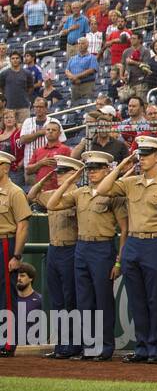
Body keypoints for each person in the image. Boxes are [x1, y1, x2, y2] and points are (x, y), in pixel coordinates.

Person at [94, 136, 157, 364]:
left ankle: (156, 348)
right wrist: (122, 166)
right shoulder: (131, 182)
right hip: (133, 243)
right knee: (137, 300)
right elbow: (102, 188)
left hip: (155, 241)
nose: (142, 158)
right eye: (140, 154)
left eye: (147, 154)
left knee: (155, 299)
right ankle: (142, 347)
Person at [47, 151, 127, 360]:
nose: (92, 173)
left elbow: (124, 229)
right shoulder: (79, 193)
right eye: (89, 169)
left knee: (103, 300)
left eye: (97, 169)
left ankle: (105, 347)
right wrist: (70, 181)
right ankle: (88, 346)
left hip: (102, 247)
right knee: (84, 301)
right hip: (82, 247)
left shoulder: (113, 195)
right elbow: (52, 204)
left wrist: (119, 259)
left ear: (106, 170)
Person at [29, 158, 81, 358]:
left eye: (63, 172)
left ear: (74, 174)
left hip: (71, 248)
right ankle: (61, 345)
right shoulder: (53, 194)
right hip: (54, 249)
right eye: (58, 172)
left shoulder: (78, 195)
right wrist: (44, 179)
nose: (58, 175)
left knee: (71, 299)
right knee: (57, 300)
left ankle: (74, 344)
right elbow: (32, 195)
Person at [0, 150, 32, 357]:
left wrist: (16, 255)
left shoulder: (15, 192)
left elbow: (22, 226)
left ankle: (8, 341)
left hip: (5, 243)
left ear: (5, 167)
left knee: (7, 296)